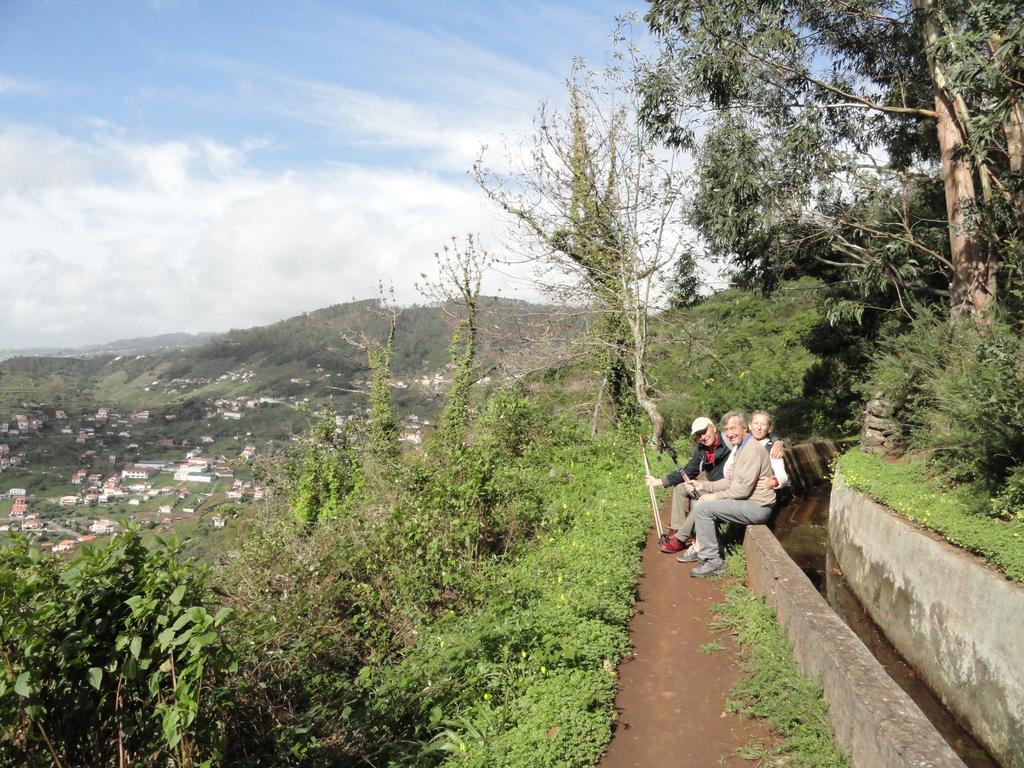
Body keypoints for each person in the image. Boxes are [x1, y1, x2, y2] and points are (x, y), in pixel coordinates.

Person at [682, 411, 775, 578]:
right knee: (699, 503)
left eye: (733, 428)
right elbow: (730, 482)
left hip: (757, 506)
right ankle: (715, 548)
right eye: (726, 430)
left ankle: (713, 561)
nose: (730, 433)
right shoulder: (741, 447)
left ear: (744, 427)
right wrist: (704, 485)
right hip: (748, 502)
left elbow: (742, 490)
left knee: (703, 508)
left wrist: (713, 496)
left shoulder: (751, 450)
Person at [644, 416, 731, 554]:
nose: (702, 437)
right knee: (680, 488)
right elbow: (688, 472)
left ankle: (680, 539)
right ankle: (676, 530)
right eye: (698, 435)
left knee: (700, 502)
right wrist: (659, 481)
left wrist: (777, 441)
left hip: (726, 489)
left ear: (713, 427)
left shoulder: (729, 440)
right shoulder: (701, 450)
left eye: (704, 431)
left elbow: (754, 434)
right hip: (709, 486)